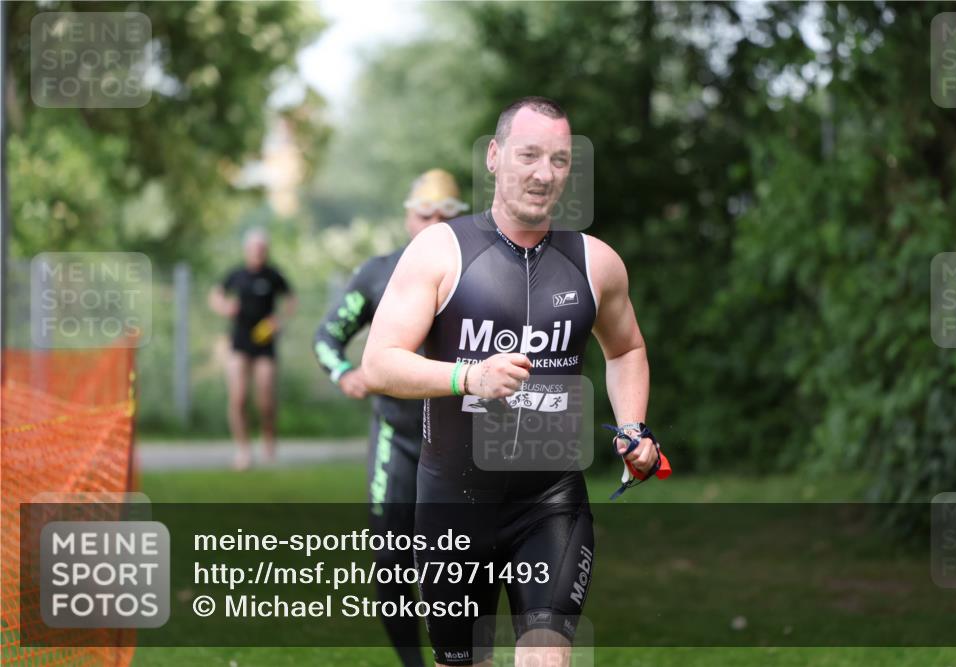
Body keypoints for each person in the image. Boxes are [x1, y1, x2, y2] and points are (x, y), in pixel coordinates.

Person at [362, 97, 662, 667]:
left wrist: (632, 428)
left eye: (558, 160)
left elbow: (627, 349)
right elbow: (379, 363)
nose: (543, 173)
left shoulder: (595, 264)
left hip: (550, 504)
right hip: (454, 505)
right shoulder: (441, 250)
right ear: (495, 157)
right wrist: (467, 375)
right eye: (528, 155)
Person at [313, 169, 468, 667]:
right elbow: (327, 335)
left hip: (462, 443)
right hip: (397, 439)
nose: (433, 223)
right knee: (392, 563)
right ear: (408, 215)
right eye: (424, 213)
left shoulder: (479, 272)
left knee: (463, 563)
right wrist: (343, 372)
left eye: (446, 215)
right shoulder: (377, 273)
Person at [209, 228, 296, 470]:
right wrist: (225, 306)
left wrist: (278, 320)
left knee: (266, 399)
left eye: (261, 248)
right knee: (238, 398)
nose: (257, 252)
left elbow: (291, 300)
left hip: (265, 344)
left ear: (265, 250)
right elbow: (215, 296)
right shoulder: (236, 274)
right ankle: (243, 451)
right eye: (253, 248)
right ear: (247, 250)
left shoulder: (273, 275)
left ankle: (269, 440)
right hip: (239, 343)